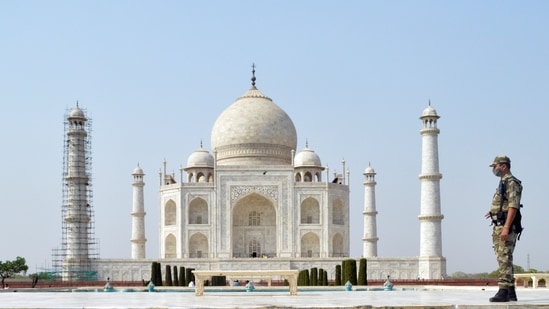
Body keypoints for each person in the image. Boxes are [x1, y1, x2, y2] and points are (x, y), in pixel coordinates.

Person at [485, 155, 522, 302]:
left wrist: (506, 227)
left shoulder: (511, 183)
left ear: (504, 166)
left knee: (504, 258)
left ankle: (503, 291)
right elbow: (505, 204)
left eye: (495, 166)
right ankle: (511, 292)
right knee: (504, 258)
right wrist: (493, 212)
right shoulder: (503, 182)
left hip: (505, 226)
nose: (494, 169)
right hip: (499, 224)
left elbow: (513, 205)